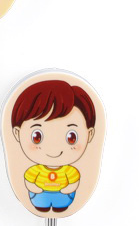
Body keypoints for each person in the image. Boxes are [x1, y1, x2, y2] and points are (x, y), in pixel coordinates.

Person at [11, 80, 96, 212]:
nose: (54, 150)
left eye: (71, 138)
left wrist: (68, 189)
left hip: (63, 196)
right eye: (37, 137)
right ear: (17, 133)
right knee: (40, 203)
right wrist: (34, 188)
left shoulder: (69, 171)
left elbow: (74, 182)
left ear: (89, 134)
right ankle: (42, 206)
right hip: (40, 195)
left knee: (62, 203)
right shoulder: (35, 170)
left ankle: (60, 206)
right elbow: (29, 181)